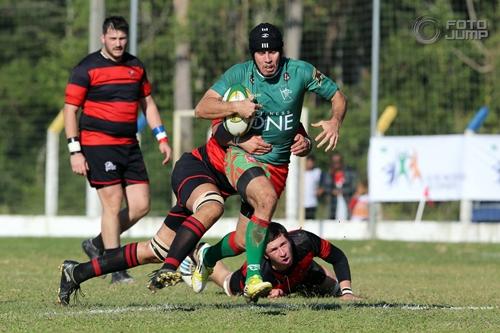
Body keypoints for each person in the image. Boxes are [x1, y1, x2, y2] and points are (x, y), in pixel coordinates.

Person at [57, 121, 311, 305]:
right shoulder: (246, 105)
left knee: (155, 249)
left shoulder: (284, 118)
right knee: (212, 206)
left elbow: (297, 132)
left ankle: (76, 272)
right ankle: (173, 265)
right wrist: (240, 137)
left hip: (218, 188)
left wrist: (305, 141)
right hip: (196, 170)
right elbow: (216, 126)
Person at [189, 22, 347, 301]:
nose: (267, 58)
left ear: (280, 52)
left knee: (241, 240)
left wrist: (333, 122)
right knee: (266, 198)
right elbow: (201, 108)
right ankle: (252, 277)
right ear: (252, 54)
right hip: (242, 155)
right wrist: (234, 106)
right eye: (261, 53)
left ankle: (207, 255)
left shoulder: (300, 72)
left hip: (277, 165)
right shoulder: (239, 73)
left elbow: (337, 96)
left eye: (273, 51)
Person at [62, 16, 171, 284]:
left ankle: (96, 244)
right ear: (103, 39)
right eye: (113, 39)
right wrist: (75, 151)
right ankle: (115, 267)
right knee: (113, 203)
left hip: (129, 145)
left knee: (141, 205)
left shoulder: (135, 66)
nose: (118, 43)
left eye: (122, 38)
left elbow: (149, 103)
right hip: (98, 144)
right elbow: (70, 110)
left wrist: (162, 138)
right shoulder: (86, 68)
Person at [209, 222, 359, 300]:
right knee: (226, 280)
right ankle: (201, 254)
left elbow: (338, 257)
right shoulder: (257, 269)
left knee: (335, 287)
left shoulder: (305, 240)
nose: (282, 253)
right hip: (274, 284)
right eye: (274, 250)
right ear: (265, 255)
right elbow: (251, 296)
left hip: (303, 274)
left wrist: (347, 292)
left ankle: (312, 272)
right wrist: (266, 293)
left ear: (288, 238)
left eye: (283, 244)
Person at [321, 152, 356, 220]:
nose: (336, 163)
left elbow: (353, 188)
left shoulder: (349, 173)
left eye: (338, 161)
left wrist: (342, 191)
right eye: (334, 162)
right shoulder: (327, 175)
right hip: (332, 207)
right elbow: (324, 188)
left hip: (347, 205)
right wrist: (332, 191)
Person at [304, 155, 324, 219]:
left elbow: (323, 183)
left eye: (311, 162)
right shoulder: (299, 172)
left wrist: (321, 189)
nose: (310, 164)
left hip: (312, 203)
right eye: (308, 161)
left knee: (311, 223)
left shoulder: (317, 172)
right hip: (301, 204)